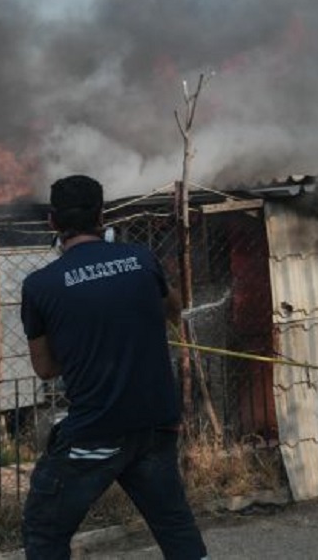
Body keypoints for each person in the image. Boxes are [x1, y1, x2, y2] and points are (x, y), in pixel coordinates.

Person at [20, 174, 207, 560]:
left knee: (44, 529)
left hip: (95, 432)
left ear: (53, 221)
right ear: (102, 215)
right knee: (173, 523)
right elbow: (174, 312)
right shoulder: (142, 259)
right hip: (156, 424)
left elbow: (46, 369)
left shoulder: (39, 286)